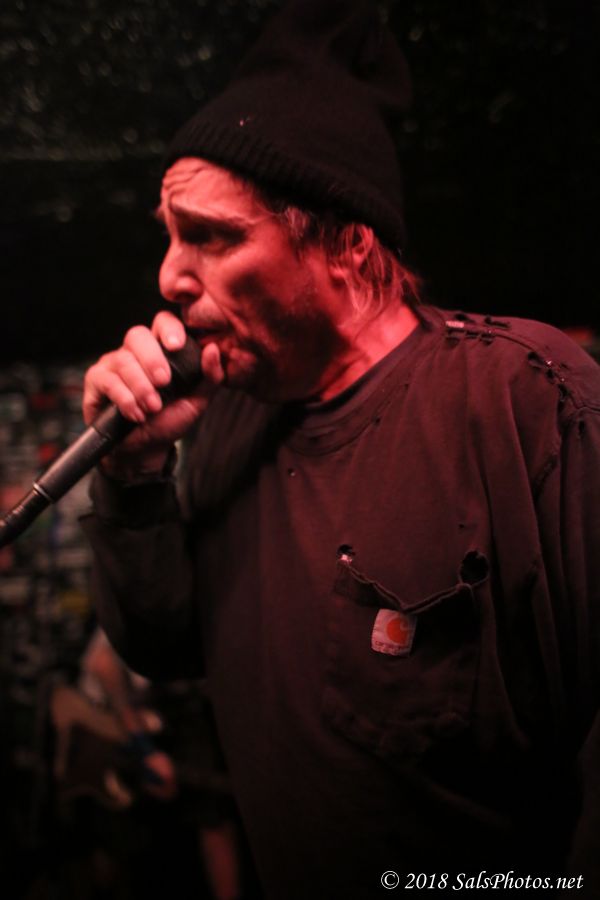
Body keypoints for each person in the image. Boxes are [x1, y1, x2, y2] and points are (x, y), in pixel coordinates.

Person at [79, 1, 600, 897]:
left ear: (347, 245)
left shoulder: (526, 401)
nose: (168, 275)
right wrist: (133, 476)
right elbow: (166, 643)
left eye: (212, 236)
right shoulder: (229, 419)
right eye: (170, 235)